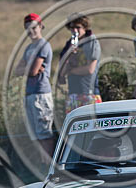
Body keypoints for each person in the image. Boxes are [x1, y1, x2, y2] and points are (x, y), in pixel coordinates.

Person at [14, 12, 55, 157]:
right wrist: (30, 68)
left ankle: (50, 165)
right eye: (27, 28)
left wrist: (30, 68)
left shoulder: (43, 45)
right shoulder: (28, 48)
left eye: (33, 27)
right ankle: (42, 164)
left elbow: (33, 71)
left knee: (44, 132)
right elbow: (17, 70)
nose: (31, 31)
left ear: (40, 26)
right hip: (29, 93)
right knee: (35, 135)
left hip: (41, 93)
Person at [58, 14, 101, 114]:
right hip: (73, 93)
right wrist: (69, 55)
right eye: (72, 28)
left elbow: (90, 69)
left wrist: (71, 71)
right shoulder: (70, 44)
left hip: (89, 92)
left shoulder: (91, 42)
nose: (75, 31)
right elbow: (62, 72)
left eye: (78, 27)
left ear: (85, 27)